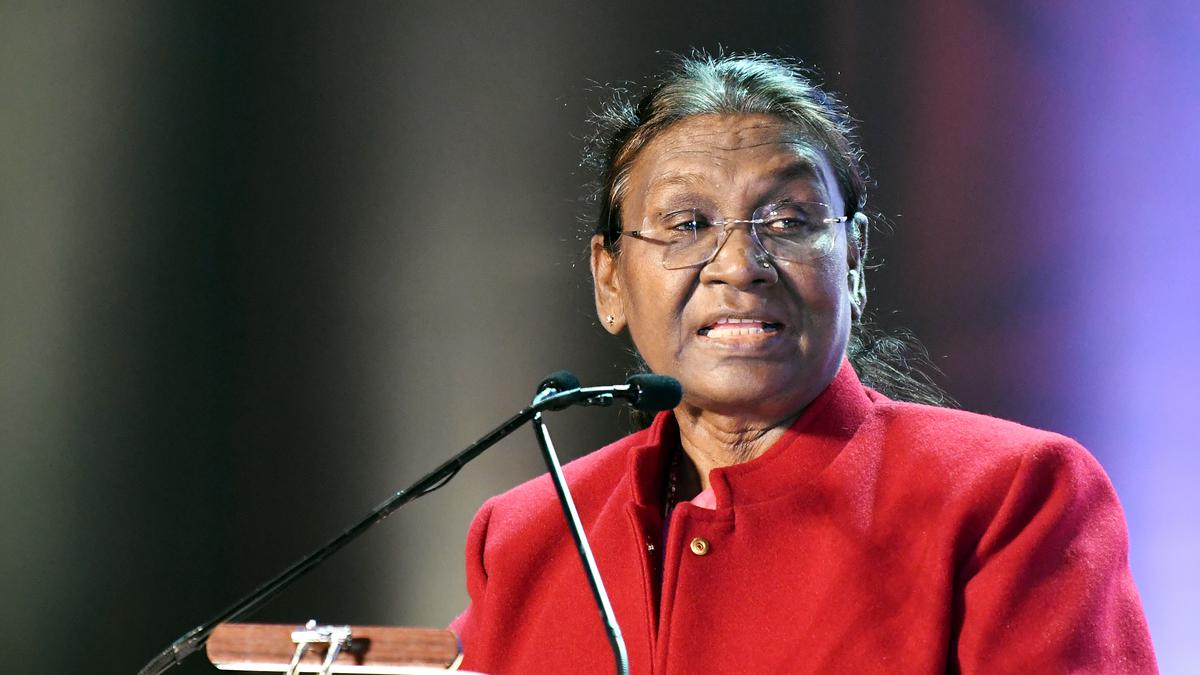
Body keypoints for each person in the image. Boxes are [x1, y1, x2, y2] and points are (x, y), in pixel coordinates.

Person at [450, 53, 1157, 673]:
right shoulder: (527, 534)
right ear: (609, 280)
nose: (739, 265)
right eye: (688, 224)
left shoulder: (1009, 497)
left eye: (787, 222)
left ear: (852, 261)